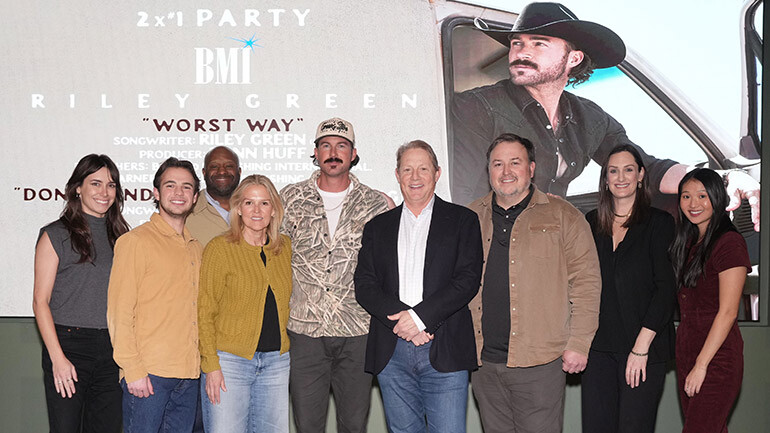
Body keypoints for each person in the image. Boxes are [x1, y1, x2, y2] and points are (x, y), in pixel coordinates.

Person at [450, 2, 760, 232]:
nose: (520, 52)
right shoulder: (476, 107)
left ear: (573, 58)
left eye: (538, 44)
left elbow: (645, 170)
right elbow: (464, 202)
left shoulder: (587, 118)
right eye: (517, 43)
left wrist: (723, 178)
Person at [467, 133, 600, 433]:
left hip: (540, 364)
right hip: (484, 363)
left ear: (531, 168)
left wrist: (579, 344)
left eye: (515, 162)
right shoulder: (470, 217)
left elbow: (586, 284)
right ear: (488, 171)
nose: (506, 171)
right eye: (497, 164)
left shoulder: (564, 216)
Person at [355, 140, 483, 433]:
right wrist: (404, 321)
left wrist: (418, 318)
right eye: (407, 169)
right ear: (397, 175)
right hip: (392, 350)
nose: (415, 177)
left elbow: (467, 280)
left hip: (445, 347)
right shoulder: (377, 226)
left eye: (423, 169)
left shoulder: (463, 221)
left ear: (437, 173)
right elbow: (364, 284)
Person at [280, 117, 390, 433]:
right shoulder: (289, 199)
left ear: (353, 154)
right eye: (325, 145)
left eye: (341, 146)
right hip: (304, 332)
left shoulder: (375, 204)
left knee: (354, 425)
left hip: (357, 332)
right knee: (307, 425)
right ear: (315, 153)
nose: (333, 152)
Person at [581, 145, 677, 433]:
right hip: (598, 352)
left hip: (643, 350)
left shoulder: (659, 223)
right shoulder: (591, 223)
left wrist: (640, 349)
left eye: (628, 169)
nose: (620, 177)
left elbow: (665, 289)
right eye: (613, 171)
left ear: (640, 175)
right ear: (605, 178)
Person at [33, 154, 130, 433]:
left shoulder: (123, 237)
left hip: (113, 350)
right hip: (69, 346)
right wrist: (58, 358)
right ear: (78, 187)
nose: (104, 192)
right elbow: (40, 301)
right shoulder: (55, 234)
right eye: (95, 183)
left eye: (111, 185)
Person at [107, 157, 203, 433]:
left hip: (188, 375)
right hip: (149, 375)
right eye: (170, 185)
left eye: (186, 187)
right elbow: (119, 313)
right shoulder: (135, 242)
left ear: (195, 197)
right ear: (156, 193)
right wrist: (133, 370)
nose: (178, 193)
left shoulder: (196, 248)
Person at [198, 175, 293, 433]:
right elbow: (205, 311)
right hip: (229, 362)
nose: (257, 210)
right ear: (238, 208)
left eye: (264, 203)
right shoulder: (220, 248)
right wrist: (211, 366)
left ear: (274, 210)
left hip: (276, 362)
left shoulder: (284, 248)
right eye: (249, 203)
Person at [670, 168, 750, 433]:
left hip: (716, 358)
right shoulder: (690, 242)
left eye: (702, 196)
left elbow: (728, 312)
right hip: (688, 351)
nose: (693, 204)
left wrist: (702, 365)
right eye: (686, 196)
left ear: (717, 197)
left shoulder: (729, 242)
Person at [186, 146, 242, 247]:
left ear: (239, 171)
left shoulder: (257, 210)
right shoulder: (185, 212)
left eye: (229, 166)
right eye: (214, 167)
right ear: (204, 173)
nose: (222, 171)